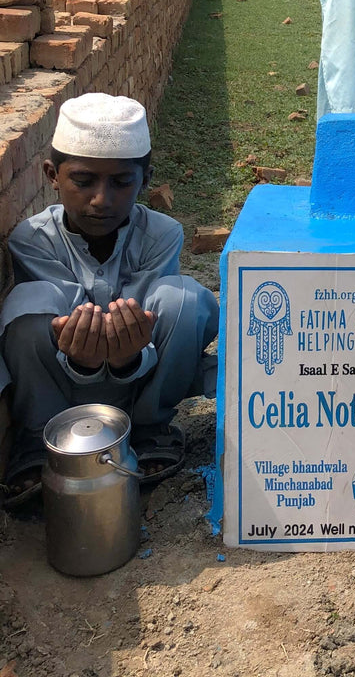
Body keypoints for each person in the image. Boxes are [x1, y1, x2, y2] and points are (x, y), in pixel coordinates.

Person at [0, 93, 218, 509]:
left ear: (146, 179)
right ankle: (39, 440)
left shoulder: (163, 234)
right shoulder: (32, 239)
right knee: (27, 303)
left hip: (142, 375)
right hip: (64, 384)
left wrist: (127, 357)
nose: (102, 199)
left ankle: (150, 430)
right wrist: (87, 355)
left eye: (122, 182)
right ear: (52, 175)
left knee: (184, 298)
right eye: (83, 181)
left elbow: (154, 319)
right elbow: (60, 332)